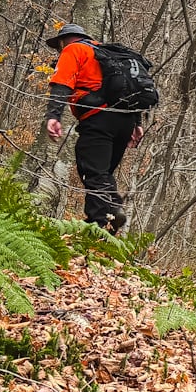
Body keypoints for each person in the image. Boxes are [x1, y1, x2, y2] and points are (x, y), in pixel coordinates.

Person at [42, 22, 143, 233]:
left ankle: (95, 226)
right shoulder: (107, 53)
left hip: (98, 118)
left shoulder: (73, 50)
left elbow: (62, 83)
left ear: (63, 41)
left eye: (59, 45)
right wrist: (137, 123)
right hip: (125, 121)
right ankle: (113, 212)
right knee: (103, 173)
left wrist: (53, 116)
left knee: (93, 171)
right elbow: (129, 87)